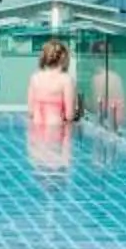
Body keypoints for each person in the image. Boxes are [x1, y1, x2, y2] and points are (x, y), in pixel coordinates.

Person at [26, 37, 81, 174]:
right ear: (63, 59)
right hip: (56, 128)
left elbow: (31, 111)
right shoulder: (66, 80)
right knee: (60, 163)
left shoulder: (35, 78)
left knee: (39, 159)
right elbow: (69, 115)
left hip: (36, 127)